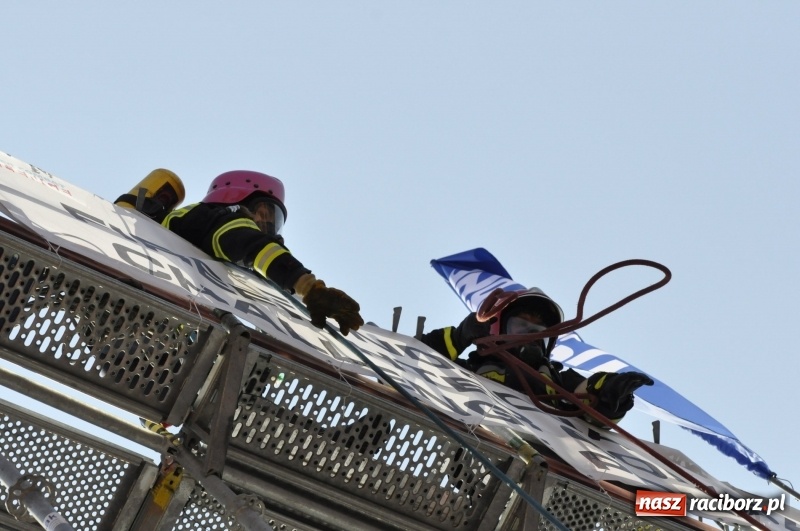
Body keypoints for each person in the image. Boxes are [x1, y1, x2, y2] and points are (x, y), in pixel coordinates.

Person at [161, 170, 364, 335]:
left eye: (273, 220)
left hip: (174, 320)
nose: (266, 223)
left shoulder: (223, 253)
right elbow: (253, 245)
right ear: (235, 200)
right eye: (263, 213)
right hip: (161, 309)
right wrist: (308, 288)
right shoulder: (212, 219)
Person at [419, 287, 653, 424]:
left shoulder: (557, 381)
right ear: (498, 328)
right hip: (476, 447)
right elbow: (413, 360)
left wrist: (612, 392)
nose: (531, 335)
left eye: (540, 330)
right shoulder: (468, 370)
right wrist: (460, 336)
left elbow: (593, 405)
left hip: (541, 466)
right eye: (521, 325)